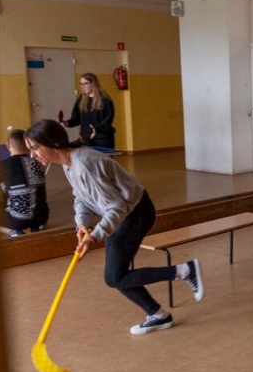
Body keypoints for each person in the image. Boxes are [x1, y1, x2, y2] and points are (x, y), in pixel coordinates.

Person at [24, 119, 203, 334]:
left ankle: (184, 272)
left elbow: (116, 207)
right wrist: (81, 223)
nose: (32, 155)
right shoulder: (68, 162)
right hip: (124, 213)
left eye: (35, 148)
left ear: (53, 143)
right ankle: (158, 314)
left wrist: (94, 237)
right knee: (115, 275)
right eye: (29, 149)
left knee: (114, 276)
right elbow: (80, 196)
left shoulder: (84, 164)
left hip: (136, 212)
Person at [0, 129, 49, 236]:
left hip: (17, 220)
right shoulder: (38, 162)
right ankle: (37, 226)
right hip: (41, 217)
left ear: (8, 145)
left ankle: (12, 231)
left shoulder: (0, 166)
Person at [61, 72, 116, 149]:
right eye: (81, 84)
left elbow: (108, 119)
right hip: (87, 137)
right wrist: (67, 123)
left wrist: (96, 129)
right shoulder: (81, 99)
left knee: (103, 160)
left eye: (85, 84)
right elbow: (77, 117)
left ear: (93, 84)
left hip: (103, 138)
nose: (82, 86)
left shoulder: (105, 100)